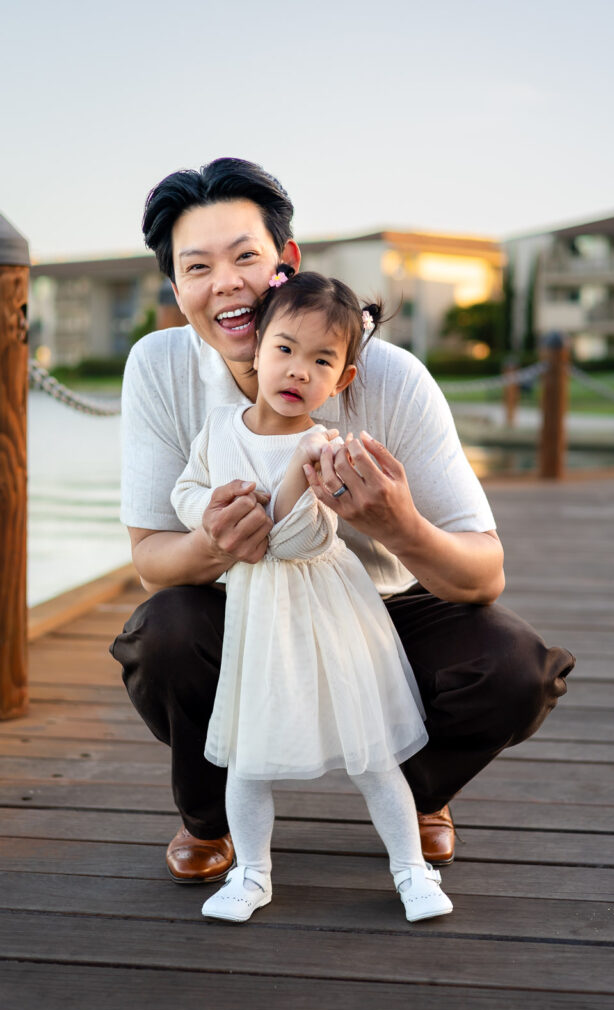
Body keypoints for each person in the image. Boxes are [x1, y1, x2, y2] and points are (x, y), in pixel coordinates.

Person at [110, 157, 575, 887]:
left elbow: (484, 572)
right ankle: (210, 818)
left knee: (516, 668)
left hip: (384, 606)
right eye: (196, 266)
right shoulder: (158, 367)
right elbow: (152, 560)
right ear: (177, 289)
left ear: (284, 265)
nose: (223, 282)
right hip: (245, 602)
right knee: (160, 633)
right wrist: (212, 541)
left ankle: (421, 793)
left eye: (244, 257)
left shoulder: (388, 377)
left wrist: (398, 525)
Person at [170, 268, 453, 922]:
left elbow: (295, 530)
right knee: (247, 752)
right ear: (257, 349)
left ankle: (410, 871)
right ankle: (251, 873)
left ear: (342, 379)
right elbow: (185, 492)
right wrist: (209, 508)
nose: (298, 371)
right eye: (285, 350)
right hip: (257, 607)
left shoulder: (326, 446)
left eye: (320, 359)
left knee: (370, 748)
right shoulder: (218, 429)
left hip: (327, 603)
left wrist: (315, 487)